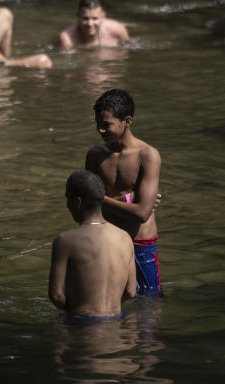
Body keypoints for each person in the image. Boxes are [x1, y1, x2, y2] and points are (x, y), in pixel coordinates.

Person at [84, 89, 162, 296]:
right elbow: (86, 206)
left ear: (127, 121)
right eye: (98, 123)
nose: (100, 130)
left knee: (149, 303)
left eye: (106, 125)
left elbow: (142, 213)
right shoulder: (95, 155)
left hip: (140, 243)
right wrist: (128, 199)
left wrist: (100, 199)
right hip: (107, 239)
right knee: (105, 301)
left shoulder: (148, 155)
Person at [49, 170, 136, 321]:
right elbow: (130, 292)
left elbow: (56, 295)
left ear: (77, 202)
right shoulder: (125, 238)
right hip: (116, 322)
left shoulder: (65, 240)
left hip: (82, 324)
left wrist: (78, 312)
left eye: (67, 199)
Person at [57, 0, 130, 49]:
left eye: (95, 18)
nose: (90, 24)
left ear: (103, 17)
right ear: (78, 16)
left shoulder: (118, 31)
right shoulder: (67, 38)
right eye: (85, 18)